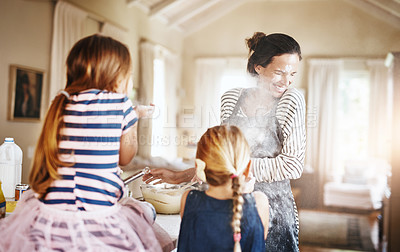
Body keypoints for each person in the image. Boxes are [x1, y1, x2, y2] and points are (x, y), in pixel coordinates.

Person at [0, 34, 163, 252]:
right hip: (97, 215)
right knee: (144, 211)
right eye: (129, 74)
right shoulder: (121, 104)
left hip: (51, 213)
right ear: (115, 76)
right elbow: (126, 158)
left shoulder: (62, 101)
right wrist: (133, 119)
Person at [221, 32, 306, 252]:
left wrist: (238, 166)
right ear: (259, 67)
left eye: (292, 74)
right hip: (231, 208)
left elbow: (293, 165)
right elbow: (219, 153)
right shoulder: (231, 98)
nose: (287, 81)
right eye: (279, 72)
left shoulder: (291, 99)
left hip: (275, 214)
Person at [177, 125, 269, 252]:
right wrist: (245, 191)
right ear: (248, 168)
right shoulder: (259, 203)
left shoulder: (188, 200)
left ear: (198, 166)